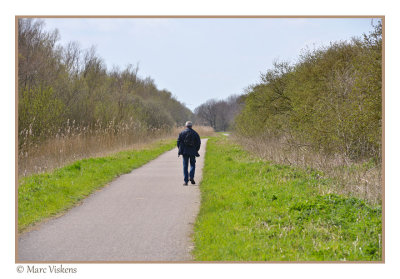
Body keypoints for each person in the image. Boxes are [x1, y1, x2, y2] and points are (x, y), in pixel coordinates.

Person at [177, 121, 201, 186]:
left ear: (186, 126)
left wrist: (180, 150)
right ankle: (191, 177)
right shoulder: (195, 133)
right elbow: (198, 143)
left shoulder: (182, 133)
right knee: (192, 165)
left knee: (185, 166)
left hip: (185, 152)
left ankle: (186, 181)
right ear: (191, 126)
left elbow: (178, 142)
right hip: (193, 152)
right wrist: (196, 150)